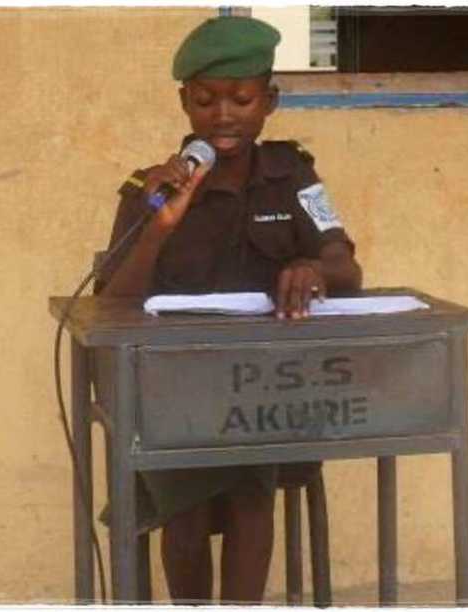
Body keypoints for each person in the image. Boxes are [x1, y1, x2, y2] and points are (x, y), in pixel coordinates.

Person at [94, 16, 361, 603]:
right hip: (174, 387)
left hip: (264, 386)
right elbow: (111, 305)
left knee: (250, 481)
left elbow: (346, 265)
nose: (223, 115)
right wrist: (158, 228)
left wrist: (315, 269)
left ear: (269, 100)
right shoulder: (151, 189)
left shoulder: (293, 176)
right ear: (184, 103)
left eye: (241, 98)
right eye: (205, 99)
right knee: (186, 501)